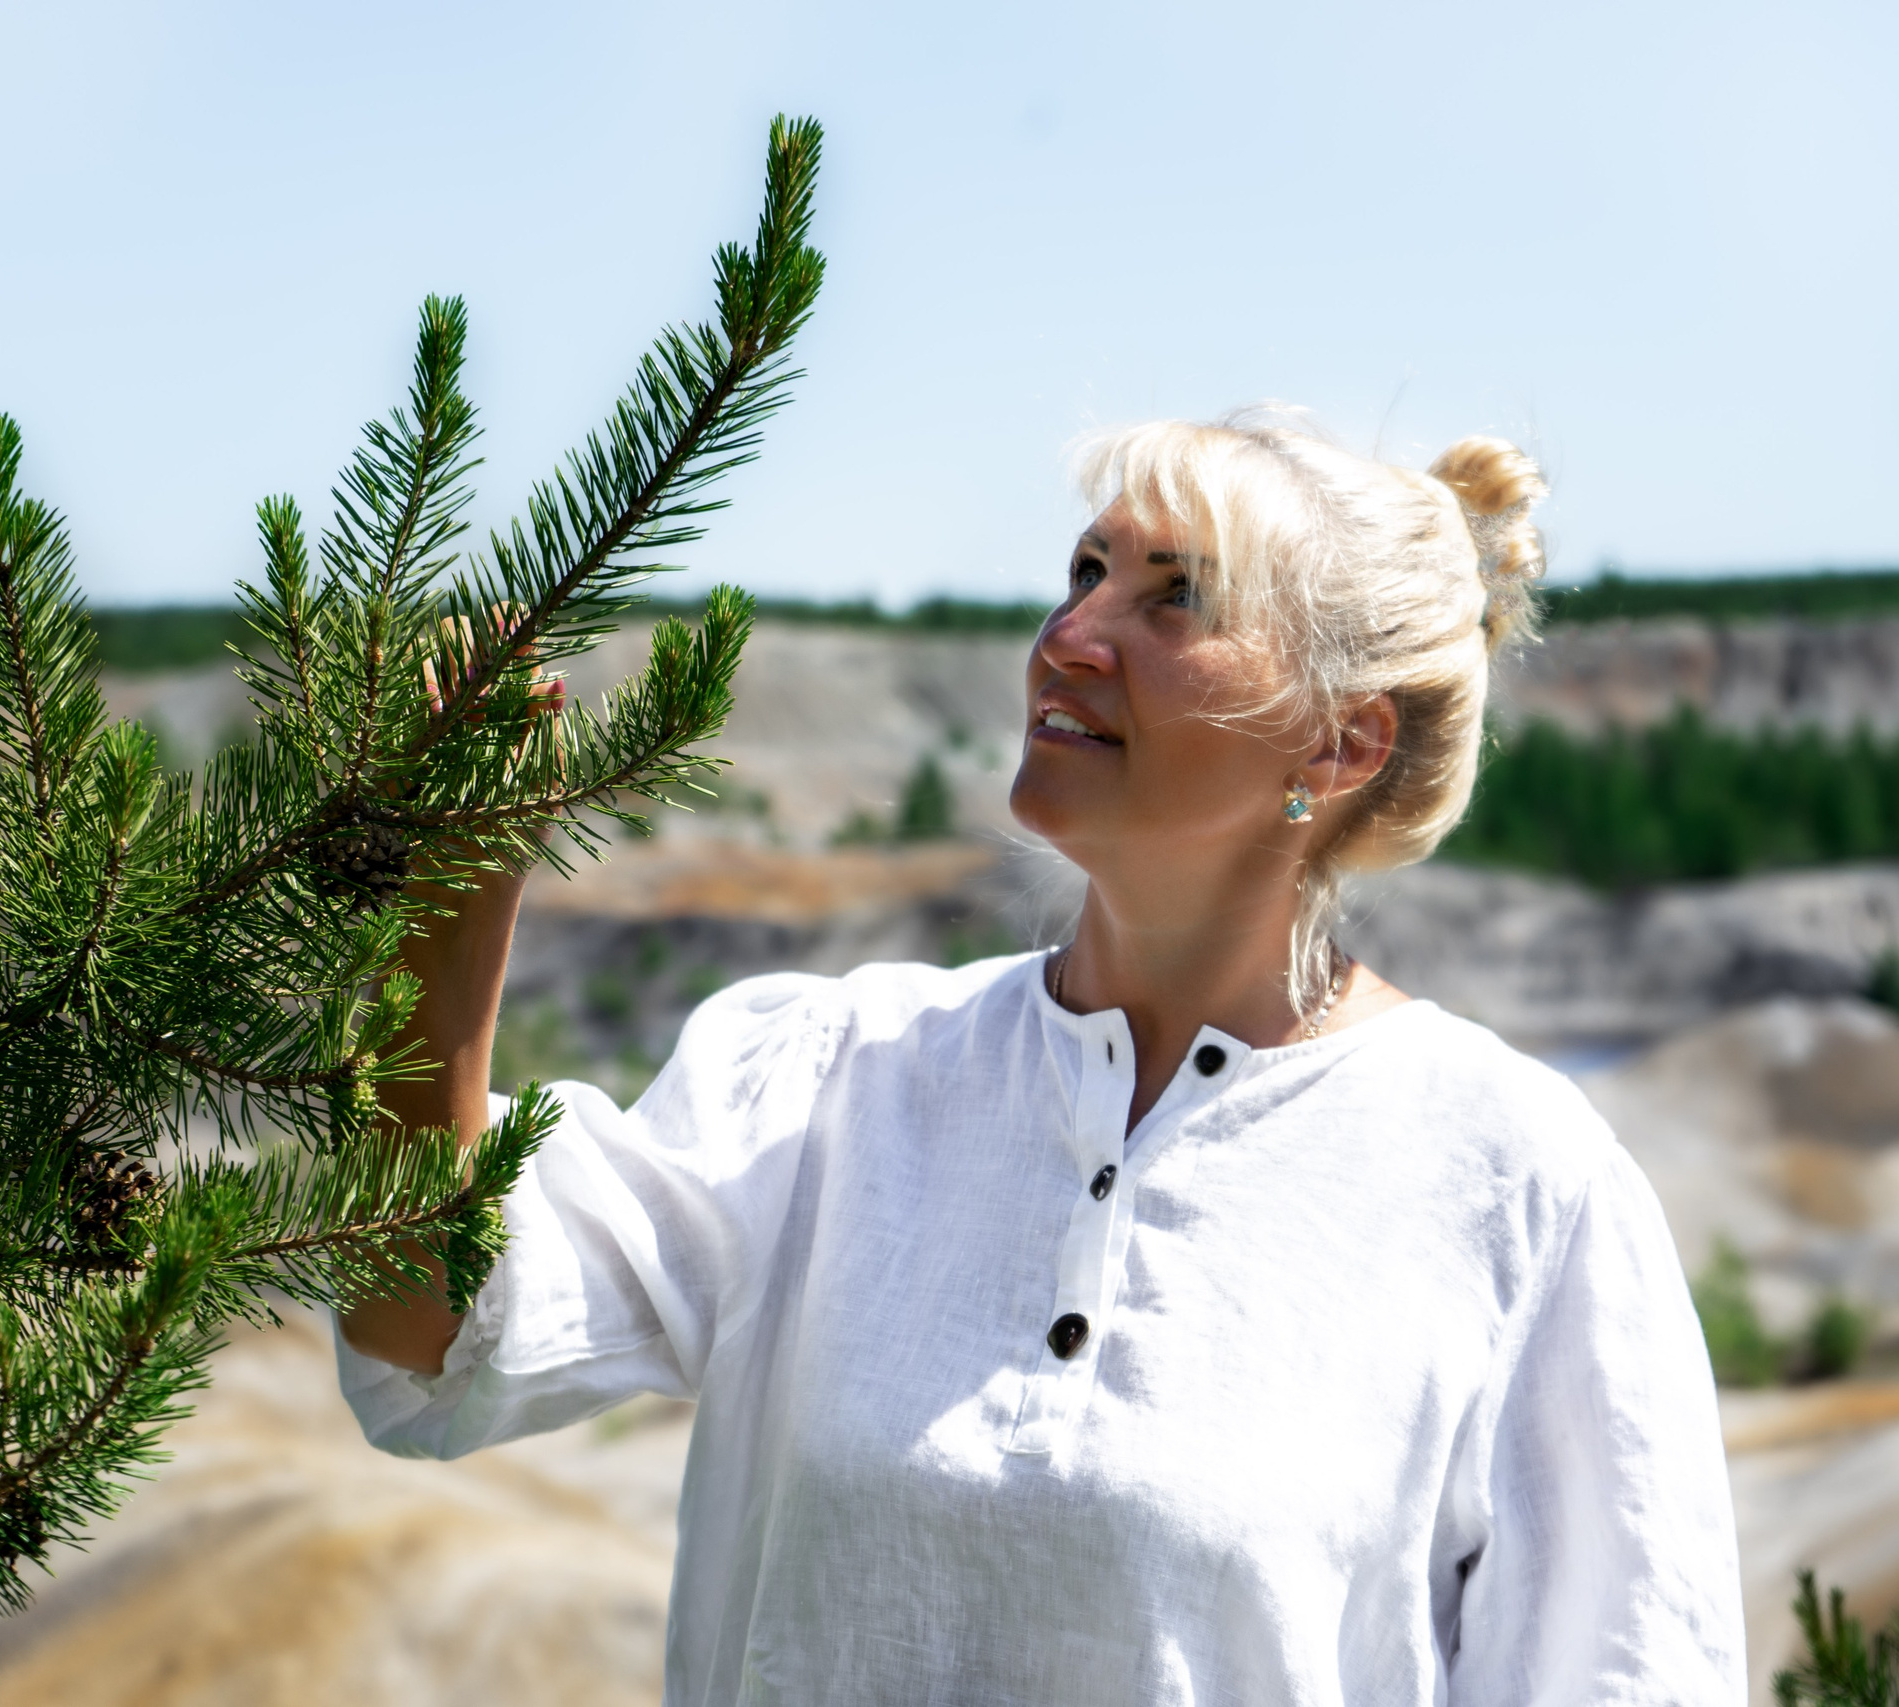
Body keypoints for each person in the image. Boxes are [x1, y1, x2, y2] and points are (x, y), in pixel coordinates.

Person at [337, 410, 1746, 1704]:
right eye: (1085, 572)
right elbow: (427, 1337)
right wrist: (453, 890)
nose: (1072, 634)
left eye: (1173, 595)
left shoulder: (1517, 1187)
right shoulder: (836, 1078)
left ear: (1341, 737)